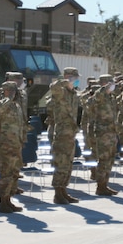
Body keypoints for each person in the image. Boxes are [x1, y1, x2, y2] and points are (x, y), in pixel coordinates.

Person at [0, 81, 27, 212]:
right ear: (4, 91)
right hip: (4, 145)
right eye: (10, 90)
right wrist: (8, 97)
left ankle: (8, 200)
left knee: (13, 174)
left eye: (14, 91)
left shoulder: (16, 106)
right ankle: (2, 202)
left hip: (15, 144)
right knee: (5, 174)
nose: (13, 93)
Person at [49, 67, 81, 204]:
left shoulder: (73, 93)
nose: (76, 80)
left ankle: (63, 190)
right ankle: (58, 193)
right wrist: (64, 81)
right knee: (61, 163)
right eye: (74, 77)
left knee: (68, 164)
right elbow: (53, 87)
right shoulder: (60, 91)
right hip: (62, 133)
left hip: (71, 133)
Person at [91, 74, 120, 195]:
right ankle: (100, 186)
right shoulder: (99, 95)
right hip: (103, 132)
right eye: (110, 83)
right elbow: (97, 96)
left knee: (110, 159)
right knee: (103, 159)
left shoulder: (110, 97)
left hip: (111, 131)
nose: (113, 85)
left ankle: (105, 184)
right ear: (105, 84)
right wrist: (105, 88)